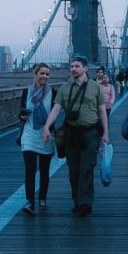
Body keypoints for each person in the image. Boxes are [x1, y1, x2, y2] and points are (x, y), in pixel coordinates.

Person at [42, 56, 109, 216]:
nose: (73, 69)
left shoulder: (95, 87)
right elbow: (56, 109)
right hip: (71, 133)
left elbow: (102, 110)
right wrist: (47, 126)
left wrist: (105, 132)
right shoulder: (65, 88)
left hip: (90, 132)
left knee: (87, 168)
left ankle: (85, 203)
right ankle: (77, 201)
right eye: (71, 66)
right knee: (73, 170)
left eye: (77, 66)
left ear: (85, 69)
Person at [18, 63, 57, 216]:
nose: (44, 77)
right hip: (29, 134)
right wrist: (22, 116)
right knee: (30, 170)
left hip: (46, 135)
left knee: (45, 170)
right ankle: (30, 202)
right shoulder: (26, 92)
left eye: (47, 74)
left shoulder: (53, 93)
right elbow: (21, 112)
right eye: (42, 73)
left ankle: (42, 198)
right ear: (35, 74)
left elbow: (55, 113)